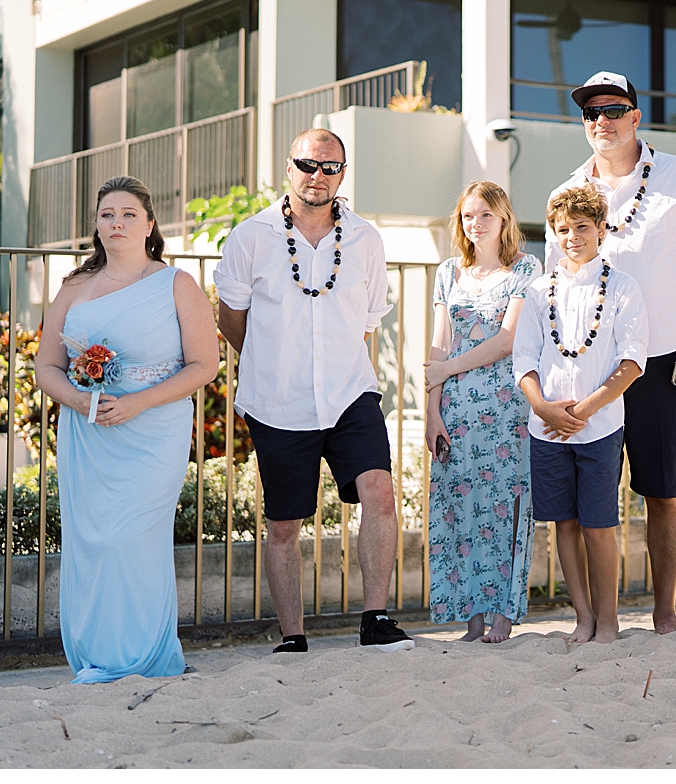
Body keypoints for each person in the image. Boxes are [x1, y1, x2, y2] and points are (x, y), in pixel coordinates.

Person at [545, 71, 676, 634]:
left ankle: (665, 615)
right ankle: (593, 618)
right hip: (589, 368)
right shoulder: (567, 192)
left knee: (663, 492)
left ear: (636, 117)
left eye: (613, 109)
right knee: (582, 503)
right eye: (590, 112)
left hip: (662, 362)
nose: (601, 120)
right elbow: (555, 284)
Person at [214, 128, 413, 653]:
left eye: (329, 167)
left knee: (380, 492)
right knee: (284, 523)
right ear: (289, 167)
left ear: (342, 175)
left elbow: (367, 321)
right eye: (308, 164)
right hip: (276, 399)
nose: (317, 176)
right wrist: (271, 359)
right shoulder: (250, 237)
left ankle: (375, 619)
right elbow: (232, 319)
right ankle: (293, 636)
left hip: (350, 392)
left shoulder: (366, 239)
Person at [35, 176, 219, 682]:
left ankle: (144, 654)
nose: (116, 223)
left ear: (149, 224)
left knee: (131, 538)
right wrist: (81, 401)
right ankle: (100, 656)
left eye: (128, 214)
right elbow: (46, 365)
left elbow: (205, 364)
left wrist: (137, 402)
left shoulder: (177, 283)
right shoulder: (74, 286)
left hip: (154, 429)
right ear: (96, 226)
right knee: (93, 542)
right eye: (107, 215)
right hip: (88, 434)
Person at [515, 184, 649, 644]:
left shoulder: (623, 287)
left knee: (598, 526)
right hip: (546, 428)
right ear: (553, 233)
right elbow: (524, 360)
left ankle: (608, 621)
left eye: (582, 227)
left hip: (600, 427)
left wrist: (584, 411)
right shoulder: (537, 291)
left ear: (601, 231)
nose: (573, 236)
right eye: (564, 228)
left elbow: (632, 362)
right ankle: (583, 617)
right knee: (563, 525)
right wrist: (543, 409)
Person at [423, 182, 541, 643]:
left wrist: (448, 366)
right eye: (469, 216)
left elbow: (508, 340)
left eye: (486, 215)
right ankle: (470, 619)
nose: (476, 223)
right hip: (454, 407)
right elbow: (438, 342)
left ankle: (503, 615)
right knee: (459, 507)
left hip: (505, 408)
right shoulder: (448, 272)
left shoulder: (525, 269)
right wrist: (432, 411)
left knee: (504, 505)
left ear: (504, 219)